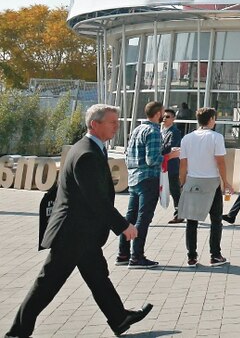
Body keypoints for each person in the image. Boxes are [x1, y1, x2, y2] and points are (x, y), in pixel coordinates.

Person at [6, 104, 153, 337]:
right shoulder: (86, 154)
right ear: (95, 124)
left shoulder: (89, 148)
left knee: (97, 276)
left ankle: (119, 317)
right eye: (112, 122)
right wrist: (124, 225)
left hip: (82, 232)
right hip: (72, 233)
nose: (117, 126)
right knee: (47, 284)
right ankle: (17, 332)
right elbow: (96, 199)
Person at [178, 107, 233, 267]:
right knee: (216, 220)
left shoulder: (187, 138)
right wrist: (225, 181)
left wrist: (182, 182)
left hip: (193, 181)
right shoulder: (216, 137)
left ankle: (191, 256)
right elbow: (220, 161)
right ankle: (215, 255)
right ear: (211, 120)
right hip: (211, 181)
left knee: (191, 220)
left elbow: (183, 164)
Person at [117, 101, 164, 269]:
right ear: (158, 114)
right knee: (143, 218)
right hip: (148, 179)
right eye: (163, 113)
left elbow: (128, 154)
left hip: (134, 178)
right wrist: (168, 156)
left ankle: (123, 253)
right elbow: (152, 160)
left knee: (130, 217)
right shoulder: (153, 131)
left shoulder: (137, 129)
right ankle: (136, 257)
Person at [160, 109, 184, 224]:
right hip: (162, 165)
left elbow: (172, 147)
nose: (164, 118)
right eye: (163, 116)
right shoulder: (161, 131)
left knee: (175, 190)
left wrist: (158, 149)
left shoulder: (175, 132)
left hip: (171, 166)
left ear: (173, 118)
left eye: (167, 116)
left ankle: (179, 213)